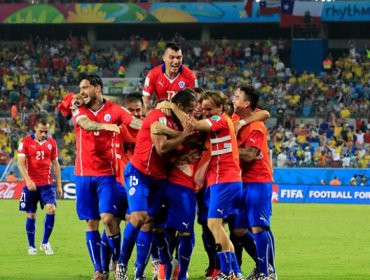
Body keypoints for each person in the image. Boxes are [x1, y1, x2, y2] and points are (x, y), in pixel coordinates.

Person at [58, 74, 142, 280]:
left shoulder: (115, 110)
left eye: (86, 87)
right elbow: (85, 124)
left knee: (107, 218)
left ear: (97, 88)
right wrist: (105, 126)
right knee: (91, 222)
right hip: (83, 173)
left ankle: (117, 260)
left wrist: (156, 124)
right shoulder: (76, 105)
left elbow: (137, 123)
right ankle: (99, 270)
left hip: (106, 174)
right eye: (80, 87)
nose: (82, 91)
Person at [116, 88, 197, 280]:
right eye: (191, 109)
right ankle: (121, 263)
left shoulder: (178, 123)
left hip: (159, 180)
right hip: (139, 173)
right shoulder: (158, 116)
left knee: (156, 226)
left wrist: (182, 148)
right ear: (180, 107)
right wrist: (184, 134)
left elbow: (172, 151)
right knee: (138, 217)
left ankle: (150, 269)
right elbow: (161, 148)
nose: (193, 113)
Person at [232, 86, 277, 280]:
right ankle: (263, 266)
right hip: (242, 181)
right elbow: (264, 112)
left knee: (259, 226)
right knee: (240, 229)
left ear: (246, 103)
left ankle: (267, 273)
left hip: (258, 180)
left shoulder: (256, 126)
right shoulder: (236, 118)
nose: (232, 99)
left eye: (236, 96)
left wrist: (226, 149)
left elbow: (249, 155)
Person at [18, 117, 62, 256]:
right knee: (31, 214)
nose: (44, 134)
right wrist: (28, 180)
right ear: (35, 128)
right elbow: (20, 163)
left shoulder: (52, 143)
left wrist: (59, 185)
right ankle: (31, 246)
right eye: (41, 131)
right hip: (30, 185)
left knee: (52, 209)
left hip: (47, 184)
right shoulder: (25, 142)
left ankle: (44, 242)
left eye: (46, 131)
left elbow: (55, 164)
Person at [142, 42, 198, 111]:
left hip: (182, 115)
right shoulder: (153, 74)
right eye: (171, 57)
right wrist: (152, 115)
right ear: (164, 58)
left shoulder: (190, 75)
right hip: (161, 114)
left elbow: (195, 102)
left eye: (178, 57)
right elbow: (146, 98)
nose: (175, 61)